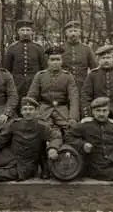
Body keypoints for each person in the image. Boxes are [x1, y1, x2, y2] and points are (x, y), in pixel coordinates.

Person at [26, 45, 80, 178]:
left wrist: (72, 117)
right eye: (52, 59)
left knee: (70, 132)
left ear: (62, 61)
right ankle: (45, 166)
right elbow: (32, 96)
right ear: (47, 61)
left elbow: (73, 97)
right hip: (44, 109)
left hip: (62, 110)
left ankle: (68, 164)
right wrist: (33, 114)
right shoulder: (40, 76)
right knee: (42, 133)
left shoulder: (68, 77)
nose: (55, 62)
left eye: (58, 59)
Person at [3, 19, 46, 107]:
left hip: (34, 82)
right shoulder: (12, 48)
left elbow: (44, 69)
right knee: (16, 104)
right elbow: (7, 69)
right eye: (22, 30)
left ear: (32, 32)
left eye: (28, 30)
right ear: (18, 32)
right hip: (16, 83)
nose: (25, 33)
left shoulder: (38, 48)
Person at [60, 20, 97, 93]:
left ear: (80, 33)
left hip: (82, 86)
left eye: (75, 31)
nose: (73, 33)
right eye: (70, 31)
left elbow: (94, 68)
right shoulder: (60, 49)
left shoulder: (87, 49)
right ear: (66, 33)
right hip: (63, 86)